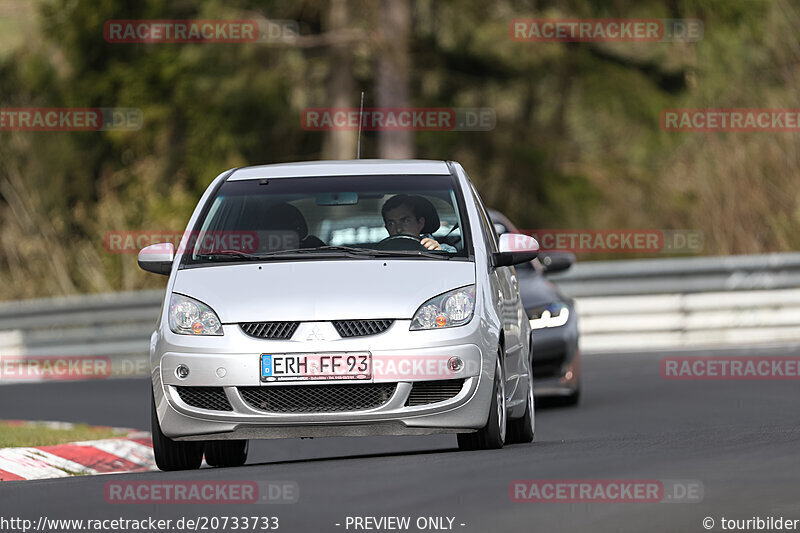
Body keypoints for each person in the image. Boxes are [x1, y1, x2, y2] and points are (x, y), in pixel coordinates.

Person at [381, 194, 456, 252]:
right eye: (391, 223)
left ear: (420, 223)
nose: (398, 229)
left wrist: (439, 254)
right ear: (387, 228)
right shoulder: (377, 252)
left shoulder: (443, 249)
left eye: (405, 221)